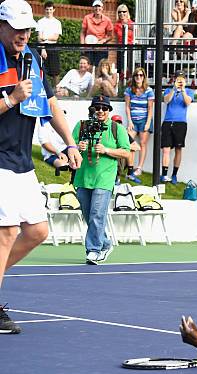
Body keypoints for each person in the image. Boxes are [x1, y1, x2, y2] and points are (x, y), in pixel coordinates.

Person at [0, 0, 82, 334]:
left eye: (27, 29)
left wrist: (71, 144)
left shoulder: (33, 59)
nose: (23, 34)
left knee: (37, 231)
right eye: (17, 28)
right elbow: (16, 101)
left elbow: (51, 106)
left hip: (21, 161)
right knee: (6, 233)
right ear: (1, 26)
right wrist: (11, 99)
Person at [73, 96, 130, 265]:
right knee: (88, 215)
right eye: (96, 107)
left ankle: (94, 250)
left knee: (97, 214)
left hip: (104, 178)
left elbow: (126, 152)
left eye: (104, 108)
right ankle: (105, 243)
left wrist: (106, 150)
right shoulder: (81, 125)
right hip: (83, 177)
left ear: (109, 111)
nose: (100, 111)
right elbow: (69, 145)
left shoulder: (116, 128)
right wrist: (77, 147)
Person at [161, 70, 194, 184]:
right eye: (178, 78)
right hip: (167, 121)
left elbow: (187, 102)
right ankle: (164, 175)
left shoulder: (189, 91)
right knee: (165, 149)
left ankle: (174, 174)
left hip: (181, 122)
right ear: (174, 78)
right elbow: (166, 100)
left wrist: (183, 90)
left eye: (182, 78)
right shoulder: (169, 90)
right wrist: (174, 89)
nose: (180, 80)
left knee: (178, 149)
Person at [124, 67, 153, 181]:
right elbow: (127, 106)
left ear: (144, 77)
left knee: (142, 143)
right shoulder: (129, 90)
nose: (139, 77)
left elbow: (150, 108)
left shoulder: (149, 90)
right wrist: (130, 121)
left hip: (144, 119)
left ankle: (139, 167)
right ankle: (130, 167)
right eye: (137, 75)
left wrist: (148, 123)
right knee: (129, 143)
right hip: (133, 120)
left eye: (141, 75)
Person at [36, 1, 62, 87]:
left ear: (54, 10)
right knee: (41, 70)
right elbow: (39, 38)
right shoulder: (40, 22)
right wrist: (43, 49)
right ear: (44, 10)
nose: (49, 11)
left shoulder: (57, 22)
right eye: (47, 9)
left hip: (53, 48)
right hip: (41, 48)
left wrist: (45, 38)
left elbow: (55, 37)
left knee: (56, 72)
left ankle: (57, 91)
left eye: (50, 9)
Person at [80, 0, 113, 66]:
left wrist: (103, 41)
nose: (97, 8)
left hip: (101, 48)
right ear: (93, 8)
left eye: (99, 6)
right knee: (87, 67)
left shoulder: (107, 20)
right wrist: (82, 45)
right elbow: (82, 33)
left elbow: (110, 36)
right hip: (88, 47)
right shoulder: (87, 18)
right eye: (95, 6)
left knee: (100, 68)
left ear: (102, 8)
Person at [110, 114, 141, 185]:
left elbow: (137, 147)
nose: (118, 124)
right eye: (116, 122)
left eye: (119, 122)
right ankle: (116, 177)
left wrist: (125, 147)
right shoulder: (108, 132)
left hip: (122, 158)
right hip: (110, 156)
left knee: (130, 150)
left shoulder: (124, 133)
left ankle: (129, 174)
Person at [113, 4, 134, 79]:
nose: (122, 13)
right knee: (120, 69)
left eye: (124, 11)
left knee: (129, 69)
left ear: (127, 12)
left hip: (130, 48)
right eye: (119, 12)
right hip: (120, 48)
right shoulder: (116, 25)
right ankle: (121, 87)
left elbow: (135, 37)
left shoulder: (132, 24)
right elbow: (116, 39)